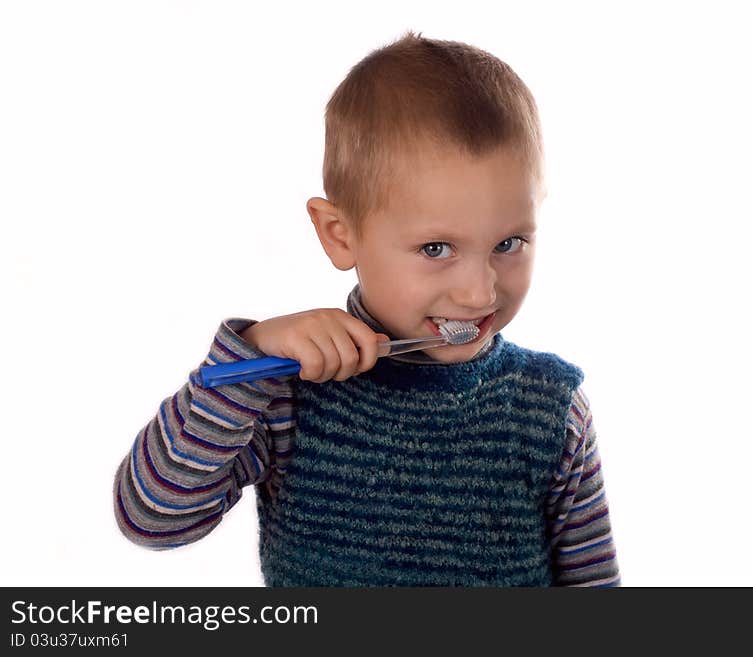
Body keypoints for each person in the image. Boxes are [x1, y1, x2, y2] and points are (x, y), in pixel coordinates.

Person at [114, 31, 621, 587]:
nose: (480, 293)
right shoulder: (288, 394)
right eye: (436, 249)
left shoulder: (551, 407)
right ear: (340, 235)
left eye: (509, 243)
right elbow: (152, 517)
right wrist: (247, 359)